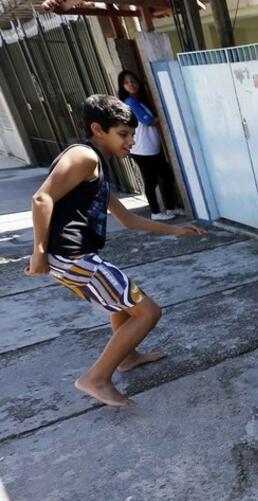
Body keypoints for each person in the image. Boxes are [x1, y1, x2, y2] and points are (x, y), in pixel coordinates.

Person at [24, 94, 205, 407]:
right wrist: (38, 252)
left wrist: (176, 229)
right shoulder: (85, 157)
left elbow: (127, 218)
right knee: (148, 311)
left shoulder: (97, 166)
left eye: (132, 134)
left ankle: (127, 356)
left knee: (119, 303)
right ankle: (95, 378)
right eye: (123, 134)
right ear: (97, 129)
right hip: (73, 257)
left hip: (78, 257)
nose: (131, 141)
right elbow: (42, 198)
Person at [117, 70, 182, 221]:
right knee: (151, 181)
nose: (131, 84)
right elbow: (149, 121)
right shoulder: (130, 102)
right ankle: (156, 212)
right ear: (122, 86)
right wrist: (165, 116)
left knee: (166, 176)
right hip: (141, 149)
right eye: (126, 82)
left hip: (153, 147)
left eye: (133, 81)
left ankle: (171, 208)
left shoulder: (140, 100)